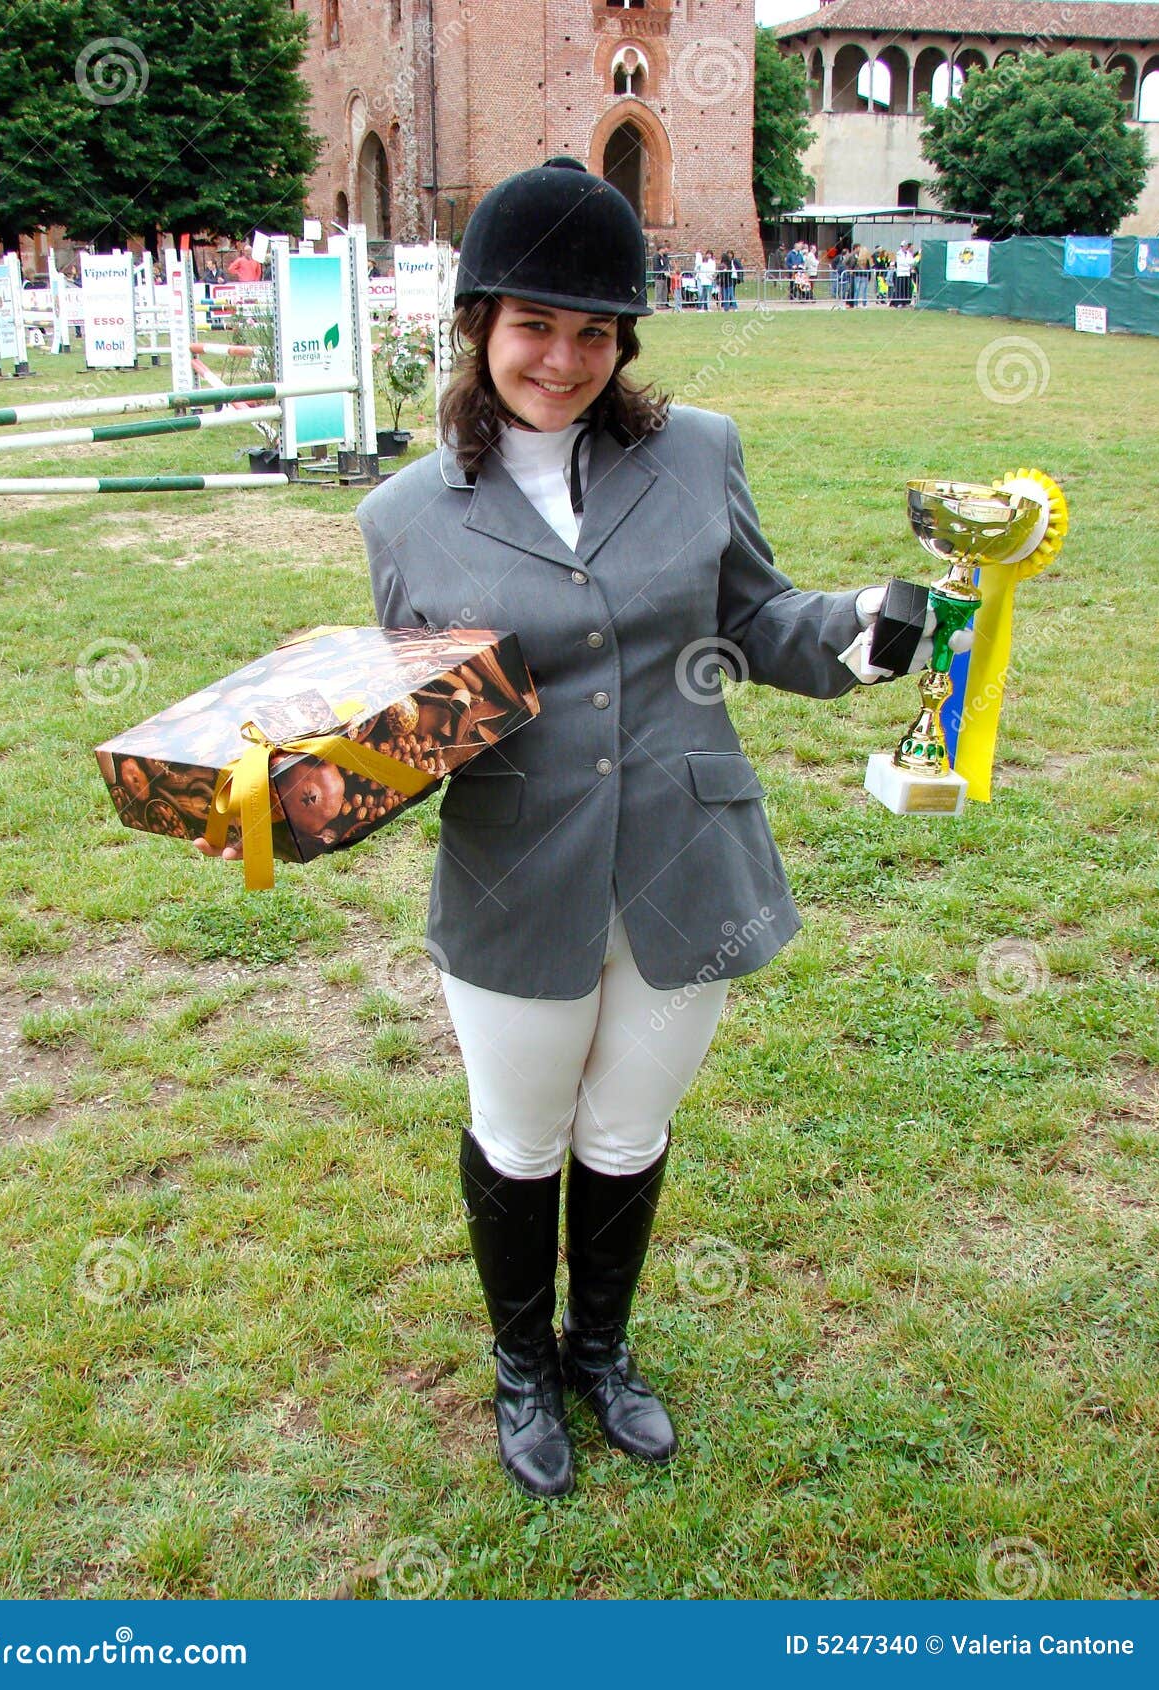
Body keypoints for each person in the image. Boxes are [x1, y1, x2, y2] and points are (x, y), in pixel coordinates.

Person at [205, 158, 965, 1500]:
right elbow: (414, 717)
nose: (560, 358)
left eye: (591, 331)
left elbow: (754, 619)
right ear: (480, 323)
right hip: (517, 874)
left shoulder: (697, 453)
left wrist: (861, 630)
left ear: (623, 341)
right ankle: (519, 1367)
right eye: (533, 326)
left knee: (626, 1131)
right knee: (521, 1130)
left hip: (689, 853)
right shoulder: (402, 513)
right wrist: (289, 804)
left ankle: (600, 1350)